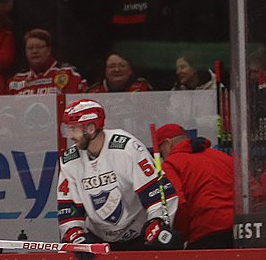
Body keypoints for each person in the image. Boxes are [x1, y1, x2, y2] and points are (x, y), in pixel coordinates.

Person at [57, 99, 179, 250]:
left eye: (74, 129)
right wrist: (76, 235)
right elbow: (68, 209)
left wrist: (157, 222)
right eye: (67, 129)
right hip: (99, 241)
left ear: (90, 128)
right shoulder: (70, 160)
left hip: (139, 234)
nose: (70, 135)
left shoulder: (126, 148)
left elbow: (158, 194)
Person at [151, 123, 235, 248]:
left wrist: (178, 238)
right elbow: (250, 189)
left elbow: (178, 204)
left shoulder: (171, 164)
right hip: (238, 232)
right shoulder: (223, 157)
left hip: (205, 235)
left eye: (161, 153)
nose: (162, 158)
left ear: (167, 144)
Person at [8, 29, 85, 95]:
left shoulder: (68, 73)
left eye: (39, 47)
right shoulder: (17, 79)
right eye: (30, 48)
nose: (34, 51)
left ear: (48, 50)